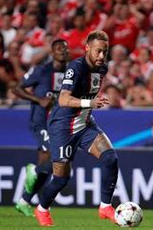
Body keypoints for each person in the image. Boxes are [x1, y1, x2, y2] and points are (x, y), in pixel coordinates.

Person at [35, 31, 117, 226]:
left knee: (110, 158)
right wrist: (89, 102)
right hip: (63, 127)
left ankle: (105, 206)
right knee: (61, 179)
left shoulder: (102, 68)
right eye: (98, 51)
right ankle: (42, 209)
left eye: (105, 52)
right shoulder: (75, 67)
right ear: (87, 48)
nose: (101, 56)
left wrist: (89, 105)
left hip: (85, 123)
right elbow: (63, 99)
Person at [12, 39, 69, 217]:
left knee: (49, 167)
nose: (62, 50)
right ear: (52, 52)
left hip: (59, 124)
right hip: (41, 122)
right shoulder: (41, 71)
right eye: (58, 48)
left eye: (65, 48)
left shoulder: (71, 73)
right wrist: (38, 100)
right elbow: (17, 89)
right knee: (56, 157)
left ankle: (24, 201)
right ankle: (33, 171)